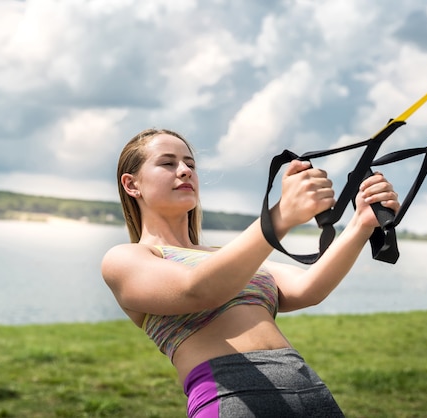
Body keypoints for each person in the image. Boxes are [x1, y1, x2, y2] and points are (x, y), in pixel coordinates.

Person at [101, 128, 401, 417]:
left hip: (310, 389)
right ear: (132, 184)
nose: (184, 170)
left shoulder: (228, 256)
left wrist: (361, 223)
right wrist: (279, 216)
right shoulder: (126, 259)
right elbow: (197, 290)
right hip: (232, 398)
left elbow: (308, 288)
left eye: (190, 164)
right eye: (168, 163)